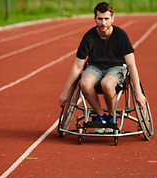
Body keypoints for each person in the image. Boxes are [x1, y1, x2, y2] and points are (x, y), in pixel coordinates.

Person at [59, 2, 146, 133]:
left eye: (106, 19)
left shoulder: (121, 35)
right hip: (95, 67)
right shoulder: (89, 37)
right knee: (85, 83)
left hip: (116, 67)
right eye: (100, 19)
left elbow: (131, 65)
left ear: (112, 19)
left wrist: (138, 93)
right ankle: (101, 117)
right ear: (95, 19)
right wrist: (65, 92)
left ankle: (111, 116)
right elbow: (77, 66)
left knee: (106, 84)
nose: (103, 23)